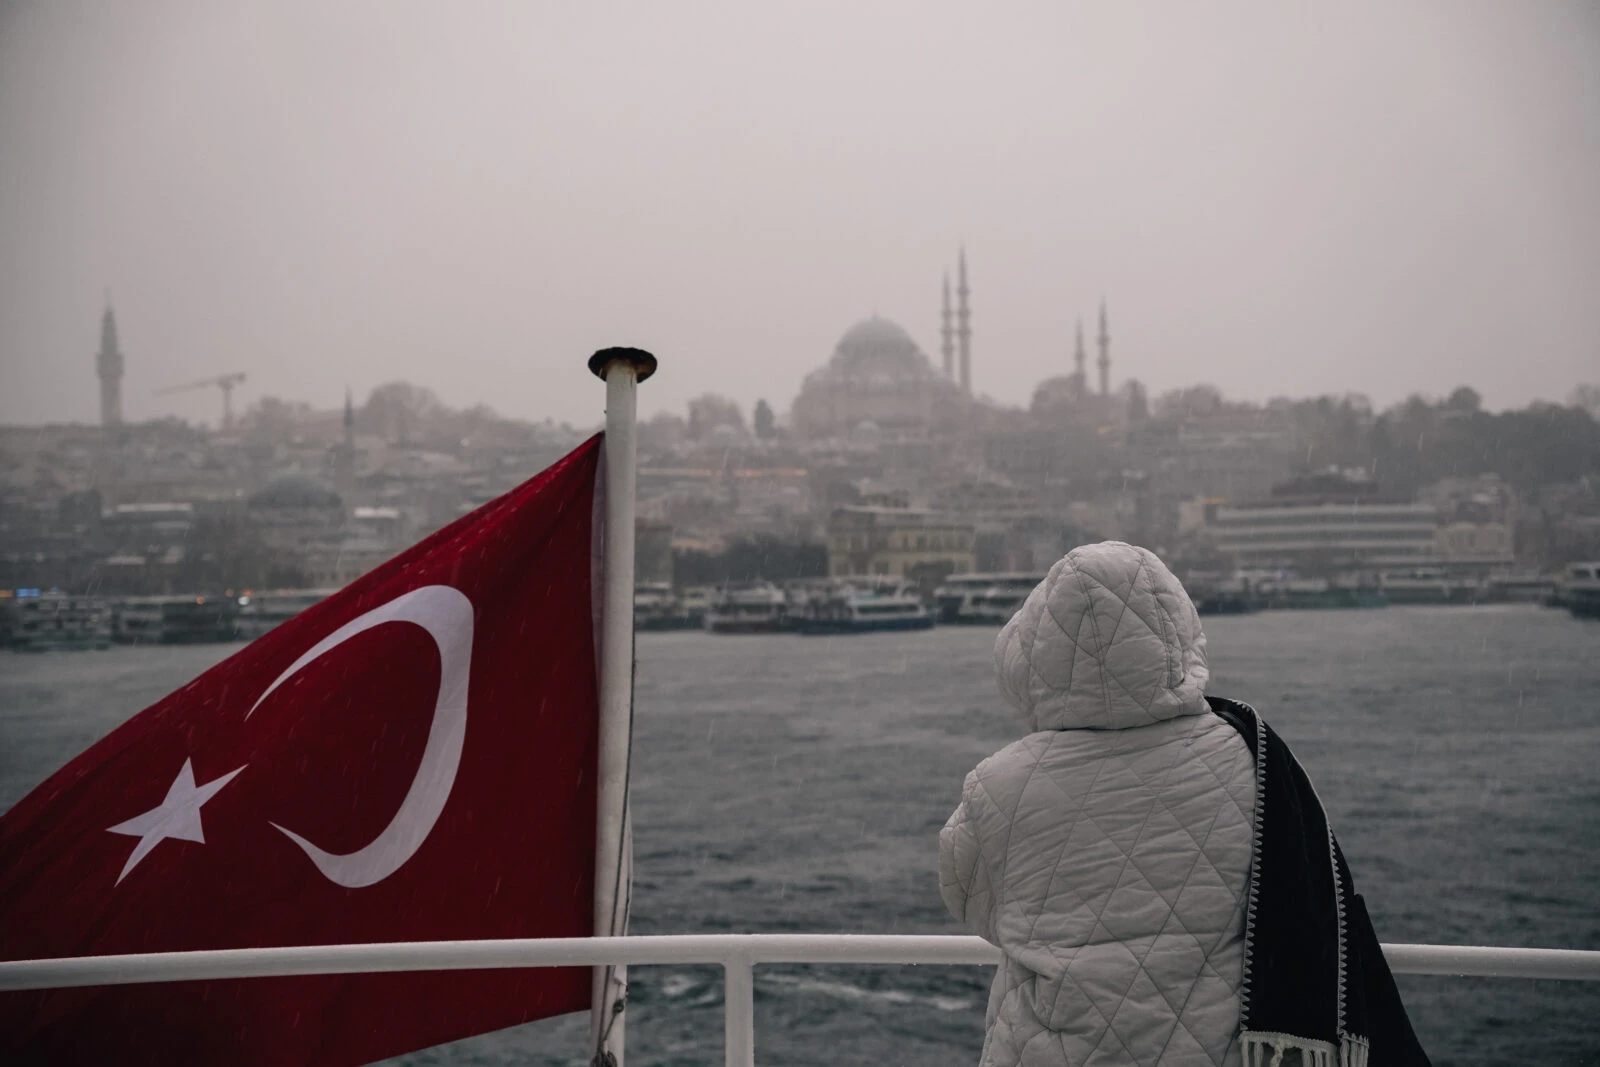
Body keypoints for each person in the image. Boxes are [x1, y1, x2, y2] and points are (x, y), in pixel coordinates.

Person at [940, 542, 1428, 1067]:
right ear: (1178, 633)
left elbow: (971, 898)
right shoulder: (1252, 758)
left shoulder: (998, 786)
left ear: (1033, 655)